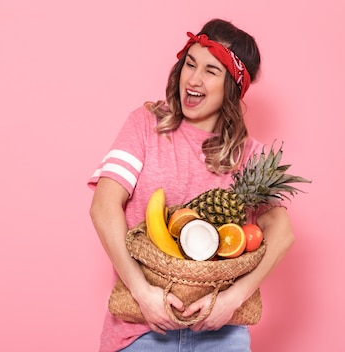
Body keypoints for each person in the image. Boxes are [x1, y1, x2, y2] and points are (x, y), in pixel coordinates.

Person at [88, 18, 296, 352]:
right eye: (190, 64)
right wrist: (142, 292)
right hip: (142, 330)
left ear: (232, 87)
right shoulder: (145, 125)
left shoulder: (249, 154)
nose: (194, 79)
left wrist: (234, 298)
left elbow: (281, 232)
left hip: (222, 335)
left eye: (211, 71)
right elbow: (103, 205)